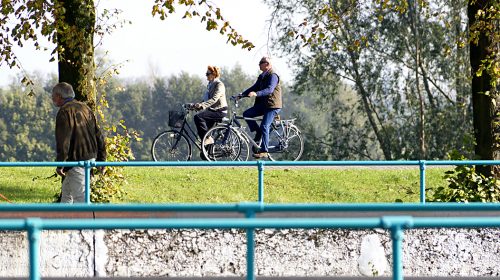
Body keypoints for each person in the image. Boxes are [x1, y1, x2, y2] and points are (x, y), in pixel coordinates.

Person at [52, 82, 106, 203]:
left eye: (53, 95)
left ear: (59, 96)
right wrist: (102, 159)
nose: (52, 98)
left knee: (82, 199)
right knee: (67, 196)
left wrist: (61, 164)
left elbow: (63, 142)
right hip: (91, 158)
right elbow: (98, 135)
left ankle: (88, 221)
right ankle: (63, 220)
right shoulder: (85, 108)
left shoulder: (64, 112)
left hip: (76, 161)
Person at [239, 56, 282, 159]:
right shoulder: (262, 76)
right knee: (247, 114)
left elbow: (269, 90)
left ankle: (264, 151)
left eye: (261, 62)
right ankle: (258, 133)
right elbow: (254, 87)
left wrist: (256, 94)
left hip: (272, 106)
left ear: (267, 64)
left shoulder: (273, 76)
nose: (259, 64)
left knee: (264, 126)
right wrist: (241, 95)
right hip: (263, 105)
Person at [193, 66, 228, 146]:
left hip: (220, 110)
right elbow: (206, 100)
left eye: (207, 74)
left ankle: (208, 139)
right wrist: (195, 106)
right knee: (202, 131)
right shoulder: (210, 85)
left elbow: (214, 99)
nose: (206, 76)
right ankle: (208, 151)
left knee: (198, 117)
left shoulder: (219, 85)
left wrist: (202, 105)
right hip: (213, 110)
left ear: (213, 74)